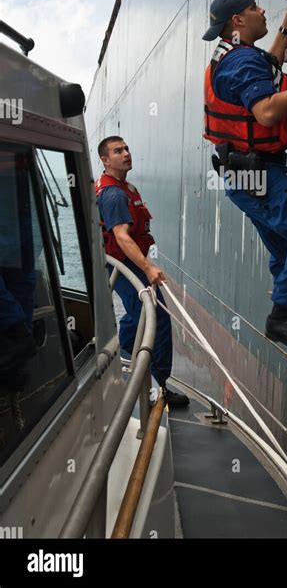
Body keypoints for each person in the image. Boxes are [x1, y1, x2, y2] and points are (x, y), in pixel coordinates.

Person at [202, 0, 287, 366]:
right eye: (254, 8)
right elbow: (265, 112)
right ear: (238, 21)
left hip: (246, 175)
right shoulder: (241, 61)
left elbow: (267, 69)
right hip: (257, 173)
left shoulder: (233, 54)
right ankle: (282, 319)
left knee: (285, 252)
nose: (262, 10)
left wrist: (285, 28)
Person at [95, 136, 189, 407]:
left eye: (126, 149)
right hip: (126, 264)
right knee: (152, 317)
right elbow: (122, 237)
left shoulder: (122, 187)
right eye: (117, 151)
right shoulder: (114, 194)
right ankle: (147, 378)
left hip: (126, 262)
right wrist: (148, 267)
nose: (126, 154)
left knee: (149, 316)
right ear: (105, 160)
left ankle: (146, 377)